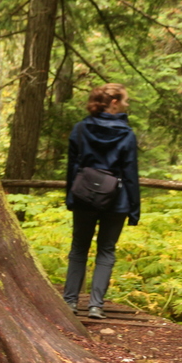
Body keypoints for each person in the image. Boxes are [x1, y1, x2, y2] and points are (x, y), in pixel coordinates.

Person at [63, 83, 140, 319]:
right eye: (125, 100)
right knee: (106, 250)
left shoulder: (80, 129)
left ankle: (69, 302)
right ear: (114, 103)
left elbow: (73, 167)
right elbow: (130, 174)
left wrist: (71, 196)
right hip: (116, 199)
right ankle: (96, 306)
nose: (127, 104)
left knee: (79, 248)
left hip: (84, 197)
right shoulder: (126, 134)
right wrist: (134, 209)